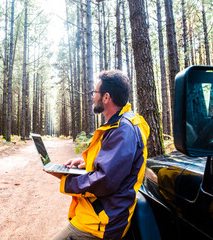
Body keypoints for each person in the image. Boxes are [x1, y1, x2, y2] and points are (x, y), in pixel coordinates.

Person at [49, 70, 150, 240]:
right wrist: (86, 163)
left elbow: (105, 180)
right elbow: (113, 163)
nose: (92, 97)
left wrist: (66, 179)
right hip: (100, 214)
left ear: (106, 97)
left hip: (103, 222)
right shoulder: (119, 124)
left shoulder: (123, 130)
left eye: (95, 93)